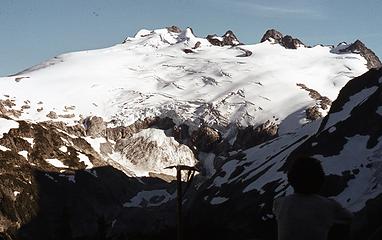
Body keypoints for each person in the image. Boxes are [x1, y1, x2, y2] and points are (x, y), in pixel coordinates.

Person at [273, 156, 353, 240]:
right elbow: (349, 219)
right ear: (320, 181)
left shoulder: (279, 203)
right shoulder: (330, 205)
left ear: (291, 179)